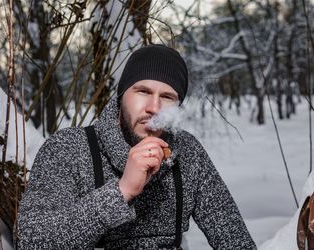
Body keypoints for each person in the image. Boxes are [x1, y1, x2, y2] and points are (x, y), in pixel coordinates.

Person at [16, 44, 256, 249]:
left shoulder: (188, 153)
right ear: (122, 96)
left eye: (167, 97)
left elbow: (235, 239)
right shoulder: (68, 148)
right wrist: (121, 191)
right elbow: (31, 242)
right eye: (143, 91)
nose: (154, 107)